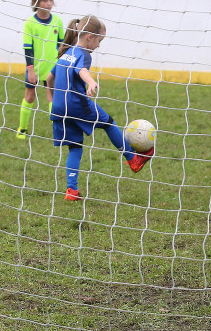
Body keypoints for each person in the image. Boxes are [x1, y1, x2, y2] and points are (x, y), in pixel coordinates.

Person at [46, 15, 154, 201]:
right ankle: (133, 159)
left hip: (59, 107)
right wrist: (90, 82)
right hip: (76, 103)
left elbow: (49, 78)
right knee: (109, 124)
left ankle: (71, 191)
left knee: (75, 146)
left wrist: (51, 101)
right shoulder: (83, 54)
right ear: (89, 37)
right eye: (99, 41)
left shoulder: (67, 52)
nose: (98, 46)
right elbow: (81, 70)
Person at [16, 0, 64, 139]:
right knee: (30, 96)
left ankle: (58, 132)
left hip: (52, 66)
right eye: (45, 1)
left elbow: (62, 44)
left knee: (53, 98)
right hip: (35, 67)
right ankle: (22, 129)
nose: (49, 4)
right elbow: (28, 48)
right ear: (36, 3)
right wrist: (30, 70)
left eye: (51, 0)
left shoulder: (57, 21)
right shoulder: (30, 23)